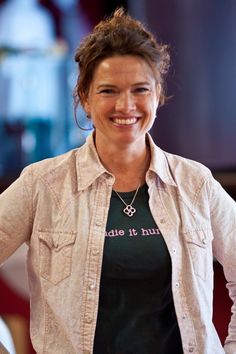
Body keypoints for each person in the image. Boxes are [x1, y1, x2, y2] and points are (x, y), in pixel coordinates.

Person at [0, 7, 235, 354]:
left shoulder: (195, 184)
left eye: (140, 89)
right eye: (108, 91)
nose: (126, 105)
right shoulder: (42, 185)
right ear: (85, 98)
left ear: (157, 95)